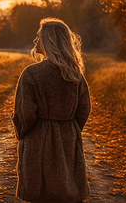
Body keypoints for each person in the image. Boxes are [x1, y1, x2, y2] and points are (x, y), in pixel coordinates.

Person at [11, 17, 91, 203]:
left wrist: (22, 132)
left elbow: (26, 114)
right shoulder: (75, 75)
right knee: (66, 190)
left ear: (48, 41)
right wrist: (70, 130)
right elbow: (84, 109)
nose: (35, 41)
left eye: (39, 37)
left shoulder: (31, 73)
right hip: (68, 138)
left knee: (40, 194)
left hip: (38, 141)